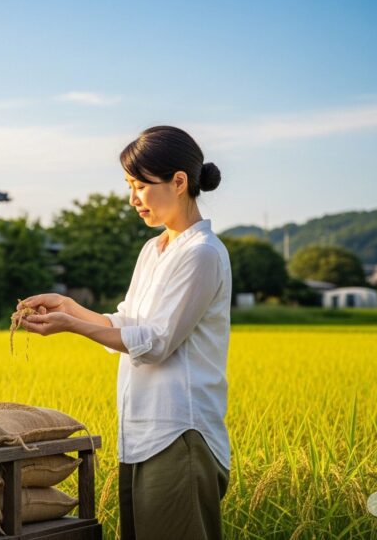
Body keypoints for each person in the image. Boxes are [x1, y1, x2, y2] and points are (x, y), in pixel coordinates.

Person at [17, 126, 231, 540]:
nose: (133, 199)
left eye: (140, 186)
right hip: (142, 434)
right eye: (128, 186)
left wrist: (73, 326)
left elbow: (155, 343)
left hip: (180, 434)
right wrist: (69, 308)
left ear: (179, 182)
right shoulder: (154, 250)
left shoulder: (201, 254)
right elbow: (129, 323)